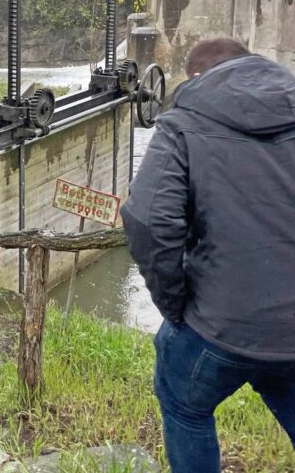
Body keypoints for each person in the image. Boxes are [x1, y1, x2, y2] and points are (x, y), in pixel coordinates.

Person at [122, 38, 295, 472]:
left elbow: (147, 219)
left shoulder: (183, 122)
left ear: (195, 77)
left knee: (185, 405)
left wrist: (174, 304)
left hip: (219, 326)